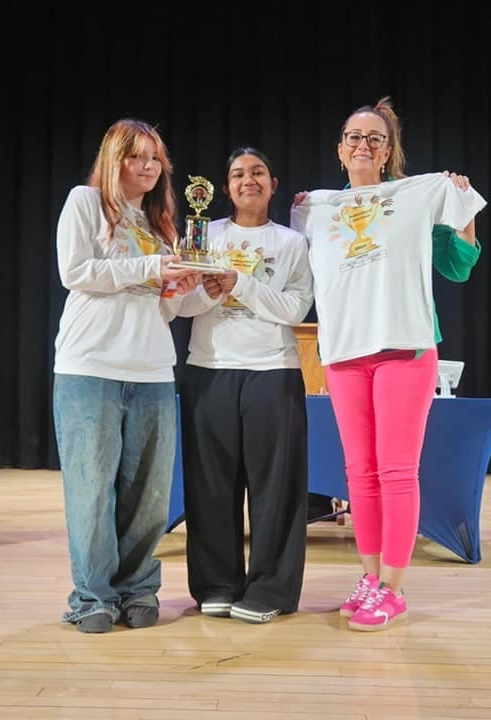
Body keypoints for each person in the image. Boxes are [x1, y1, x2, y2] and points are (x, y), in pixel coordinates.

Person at [290, 97, 487, 631]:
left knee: (397, 471)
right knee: (359, 475)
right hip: (346, 355)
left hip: (405, 348)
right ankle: (371, 577)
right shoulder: (315, 210)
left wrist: (462, 208)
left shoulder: (418, 197)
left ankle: (394, 589)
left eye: (375, 138)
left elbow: (459, 266)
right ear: (339, 149)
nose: (363, 145)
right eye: (354, 136)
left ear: (388, 151)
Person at [52, 118, 202, 634]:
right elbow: (75, 272)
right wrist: (150, 271)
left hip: (153, 369)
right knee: (92, 489)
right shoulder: (85, 203)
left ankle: (138, 588)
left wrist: (194, 291)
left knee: (150, 493)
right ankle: (91, 596)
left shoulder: (160, 225)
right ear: (113, 160)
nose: (148, 167)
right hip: (89, 365)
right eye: (137, 156)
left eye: (155, 158)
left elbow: (165, 310)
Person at [177, 147, 314, 624]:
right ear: (225, 185)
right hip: (208, 368)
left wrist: (240, 284)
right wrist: (207, 294)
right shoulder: (203, 233)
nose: (247, 180)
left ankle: (271, 587)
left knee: (275, 487)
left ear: (273, 184)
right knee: (210, 484)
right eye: (237, 174)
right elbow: (178, 305)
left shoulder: (292, 243)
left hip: (273, 372)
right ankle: (217, 584)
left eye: (257, 172)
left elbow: (296, 310)